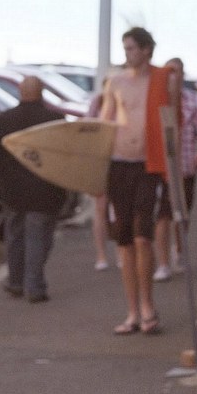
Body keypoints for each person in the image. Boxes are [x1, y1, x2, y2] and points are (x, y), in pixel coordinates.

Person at [99, 26, 180, 335]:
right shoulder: (116, 82)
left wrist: (174, 168)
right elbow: (105, 122)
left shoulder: (161, 79)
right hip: (119, 164)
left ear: (146, 49)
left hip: (148, 166)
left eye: (132, 48)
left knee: (142, 235)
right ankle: (132, 311)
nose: (127, 54)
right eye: (125, 48)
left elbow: (172, 120)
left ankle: (147, 305)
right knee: (124, 241)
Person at [0, 76, 67, 303]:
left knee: (15, 237)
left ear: (20, 91)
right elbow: (67, 156)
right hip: (46, 190)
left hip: (12, 191)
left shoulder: (5, 119)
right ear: (42, 91)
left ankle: (15, 282)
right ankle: (34, 287)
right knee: (39, 238)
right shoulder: (55, 120)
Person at [152, 57, 197, 282]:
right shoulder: (156, 100)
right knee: (162, 214)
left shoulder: (193, 102)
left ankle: (180, 250)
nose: (174, 76)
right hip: (159, 168)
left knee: (182, 214)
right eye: (170, 72)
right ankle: (163, 263)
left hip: (184, 167)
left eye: (178, 72)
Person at [86, 77, 113, 271]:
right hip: (100, 161)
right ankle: (101, 255)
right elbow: (88, 129)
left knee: (120, 209)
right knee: (100, 208)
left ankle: (121, 251)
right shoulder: (97, 102)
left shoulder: (123, 104)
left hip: (120, 159)